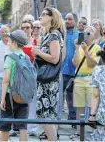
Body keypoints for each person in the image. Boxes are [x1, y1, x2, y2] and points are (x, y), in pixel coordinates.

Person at [32, 7, 65, 141]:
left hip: (49, 81)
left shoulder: (54, 35)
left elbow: (55, 58)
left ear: (52, 17)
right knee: (47, 114)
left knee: (45, 114)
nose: (41, 17)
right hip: (46, 80)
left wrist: (39, 52)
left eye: (44, 14)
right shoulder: (48, 34)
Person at [0, 30, 29, 142]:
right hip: (23, 95)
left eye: (10, 41)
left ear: (15, 43)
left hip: (10, 95)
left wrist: (2, 99)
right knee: (23, 126)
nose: (8, 43)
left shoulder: (10, 57)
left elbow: (6, 80)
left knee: (5, 126)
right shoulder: (26, 57)